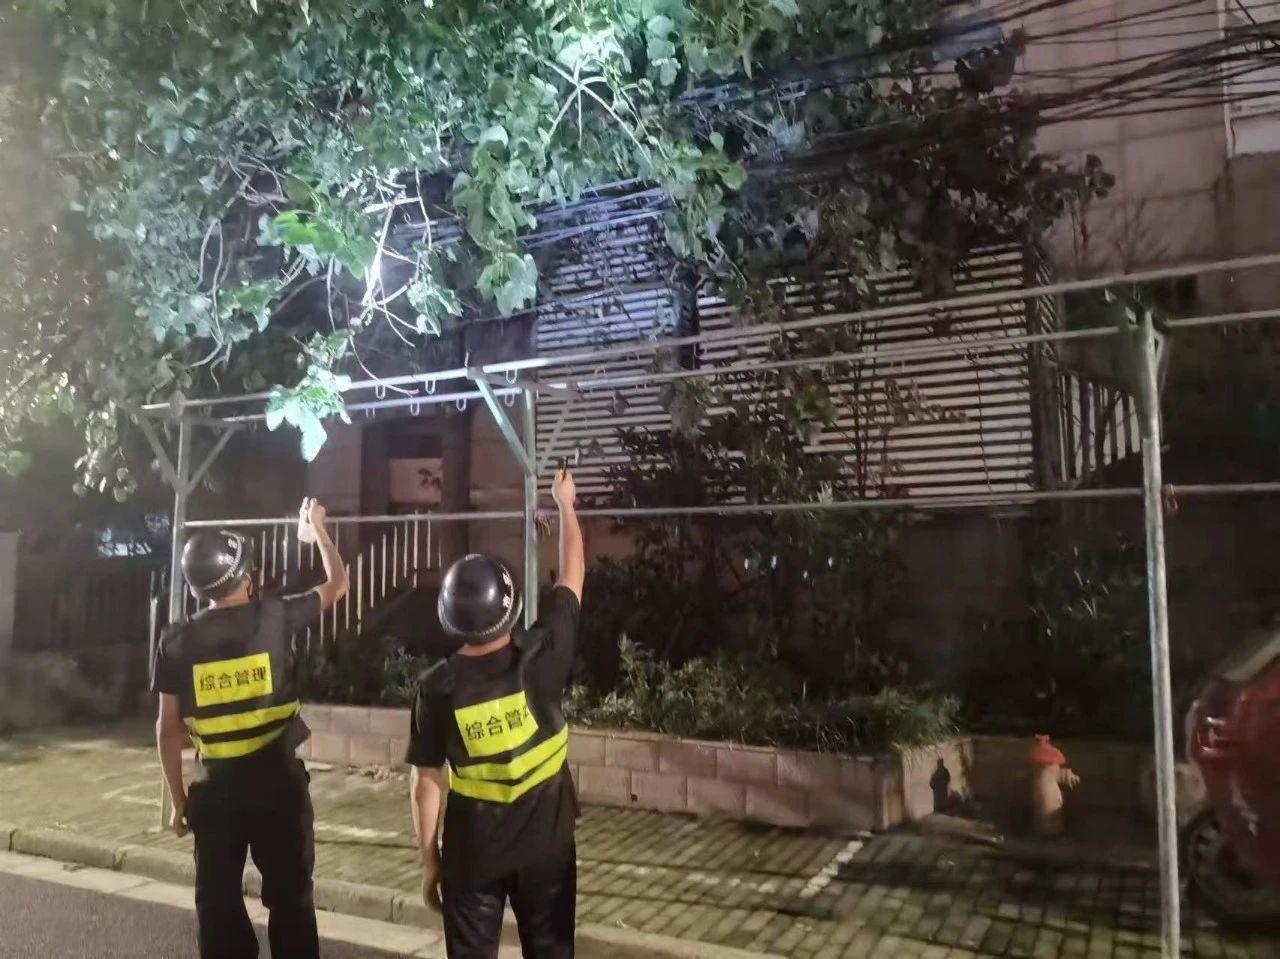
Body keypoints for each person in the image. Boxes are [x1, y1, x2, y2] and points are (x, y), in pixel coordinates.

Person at [152, 498, 348, 959]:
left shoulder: (176, 641)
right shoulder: (275, 617)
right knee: (291, 902)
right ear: (247, 577)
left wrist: (180, 803)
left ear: (196, 586)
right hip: (278, 785)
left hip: (215, 791)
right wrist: (318, 528)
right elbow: (338, 584)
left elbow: (167, 729)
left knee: (218, 908)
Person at [408, 468, 585, 959]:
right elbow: (572, 577)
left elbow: (427, 784)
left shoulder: (437, 688)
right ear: (511, 608)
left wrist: (430, 862)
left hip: (472, 855)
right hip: (547, 851)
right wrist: (565, 504)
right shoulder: (542, 657)